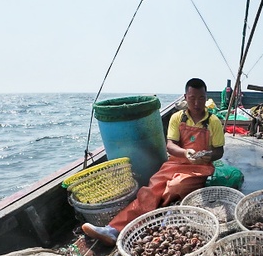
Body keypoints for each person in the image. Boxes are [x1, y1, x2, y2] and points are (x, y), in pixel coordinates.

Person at [82, 78, 225, 246]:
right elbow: (170, 146)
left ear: (205, 97)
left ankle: (157, 220)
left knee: (174, 187)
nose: (196, 102)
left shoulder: (213, 122)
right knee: (151, 188)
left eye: (201, 98)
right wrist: (186, 152)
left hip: (200, 168)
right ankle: (112, 229)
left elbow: (219, 151)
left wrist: (208, 156)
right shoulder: (177, 118)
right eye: (192, 97)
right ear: (186, 97)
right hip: (176, 163)